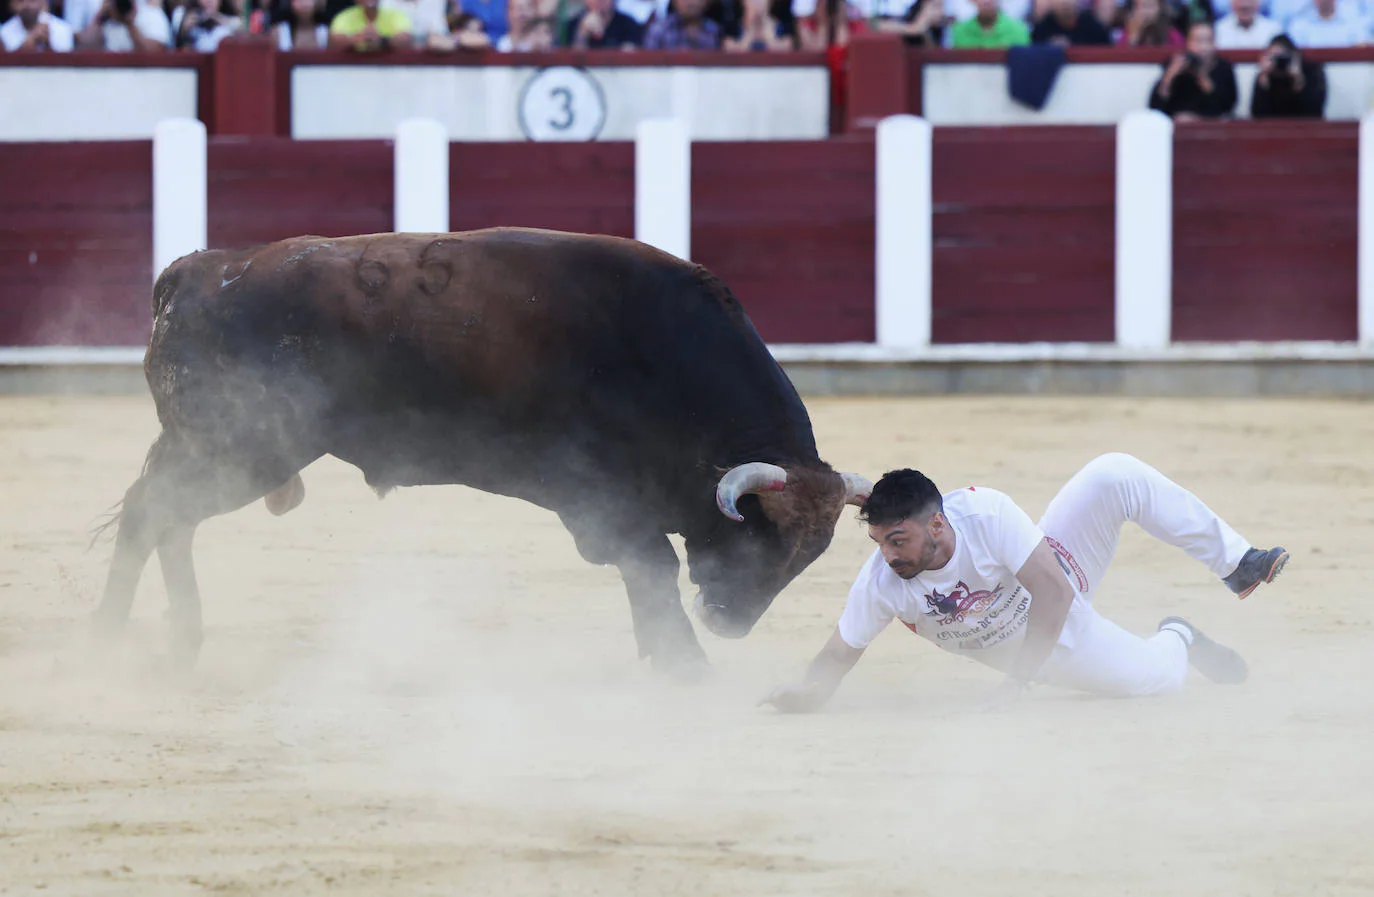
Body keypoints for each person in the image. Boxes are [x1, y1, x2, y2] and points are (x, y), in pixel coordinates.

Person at [761, 454, 1290, 713]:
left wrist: (1017, 684)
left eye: (897, 540)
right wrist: (810, 692)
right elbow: (839, 652)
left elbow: (1055, 590)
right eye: (878, 542)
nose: (888, 555)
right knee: (1155, 679)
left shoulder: (985, 513)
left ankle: (1237, 562)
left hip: (1053, 584)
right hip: (1050, 645)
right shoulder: (884, 582)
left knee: (1114, 472)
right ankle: (1181, 636)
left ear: (937, 524)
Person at [1148, 20, 1237, 120]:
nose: (1203, 47)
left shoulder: (1223, 67)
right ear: (1188, 43)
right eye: (1198, 41)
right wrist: (1169, 76)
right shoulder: (1174, 65)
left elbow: (1227, 106)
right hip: (1180, 126)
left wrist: (1203, 78)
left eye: (1208, 40)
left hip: (1213, 124)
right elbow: (1155, 107)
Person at [1251, 32, 1326, 116]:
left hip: (1306, 126)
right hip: (1273, 126)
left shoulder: (1312, 70)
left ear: (1294, 56)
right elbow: (1257, 114)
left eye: (1282, 57)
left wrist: (1298, 79)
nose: (1279, 62)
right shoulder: (1266, 73)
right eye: (1274, 57)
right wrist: (1263, 80)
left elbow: (1314, 111)